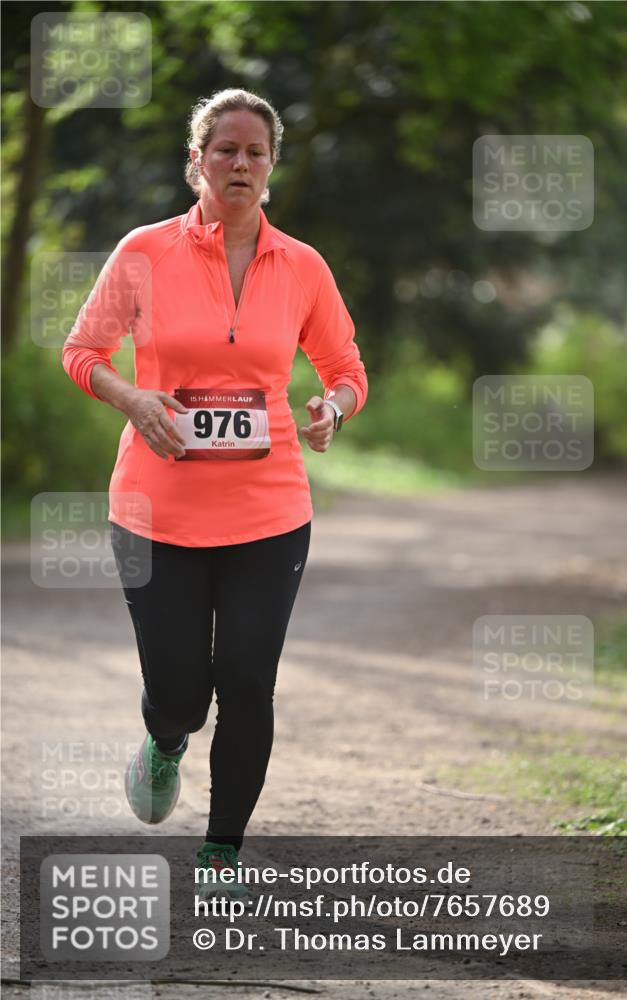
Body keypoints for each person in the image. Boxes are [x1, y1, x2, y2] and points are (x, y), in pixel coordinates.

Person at [61, 88, 368, 897]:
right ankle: (164, 743)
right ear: (196, 161)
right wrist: (131, 398)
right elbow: (83, 351)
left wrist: (330, 408)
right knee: (179, 694)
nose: (240, 163)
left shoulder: (302, 266)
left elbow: (345, 371)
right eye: (224, 149)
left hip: (269, 511)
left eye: (255, 152)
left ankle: (222, 852)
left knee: (245, 677)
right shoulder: (144, 252)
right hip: (154, 507)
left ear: (271, 167)